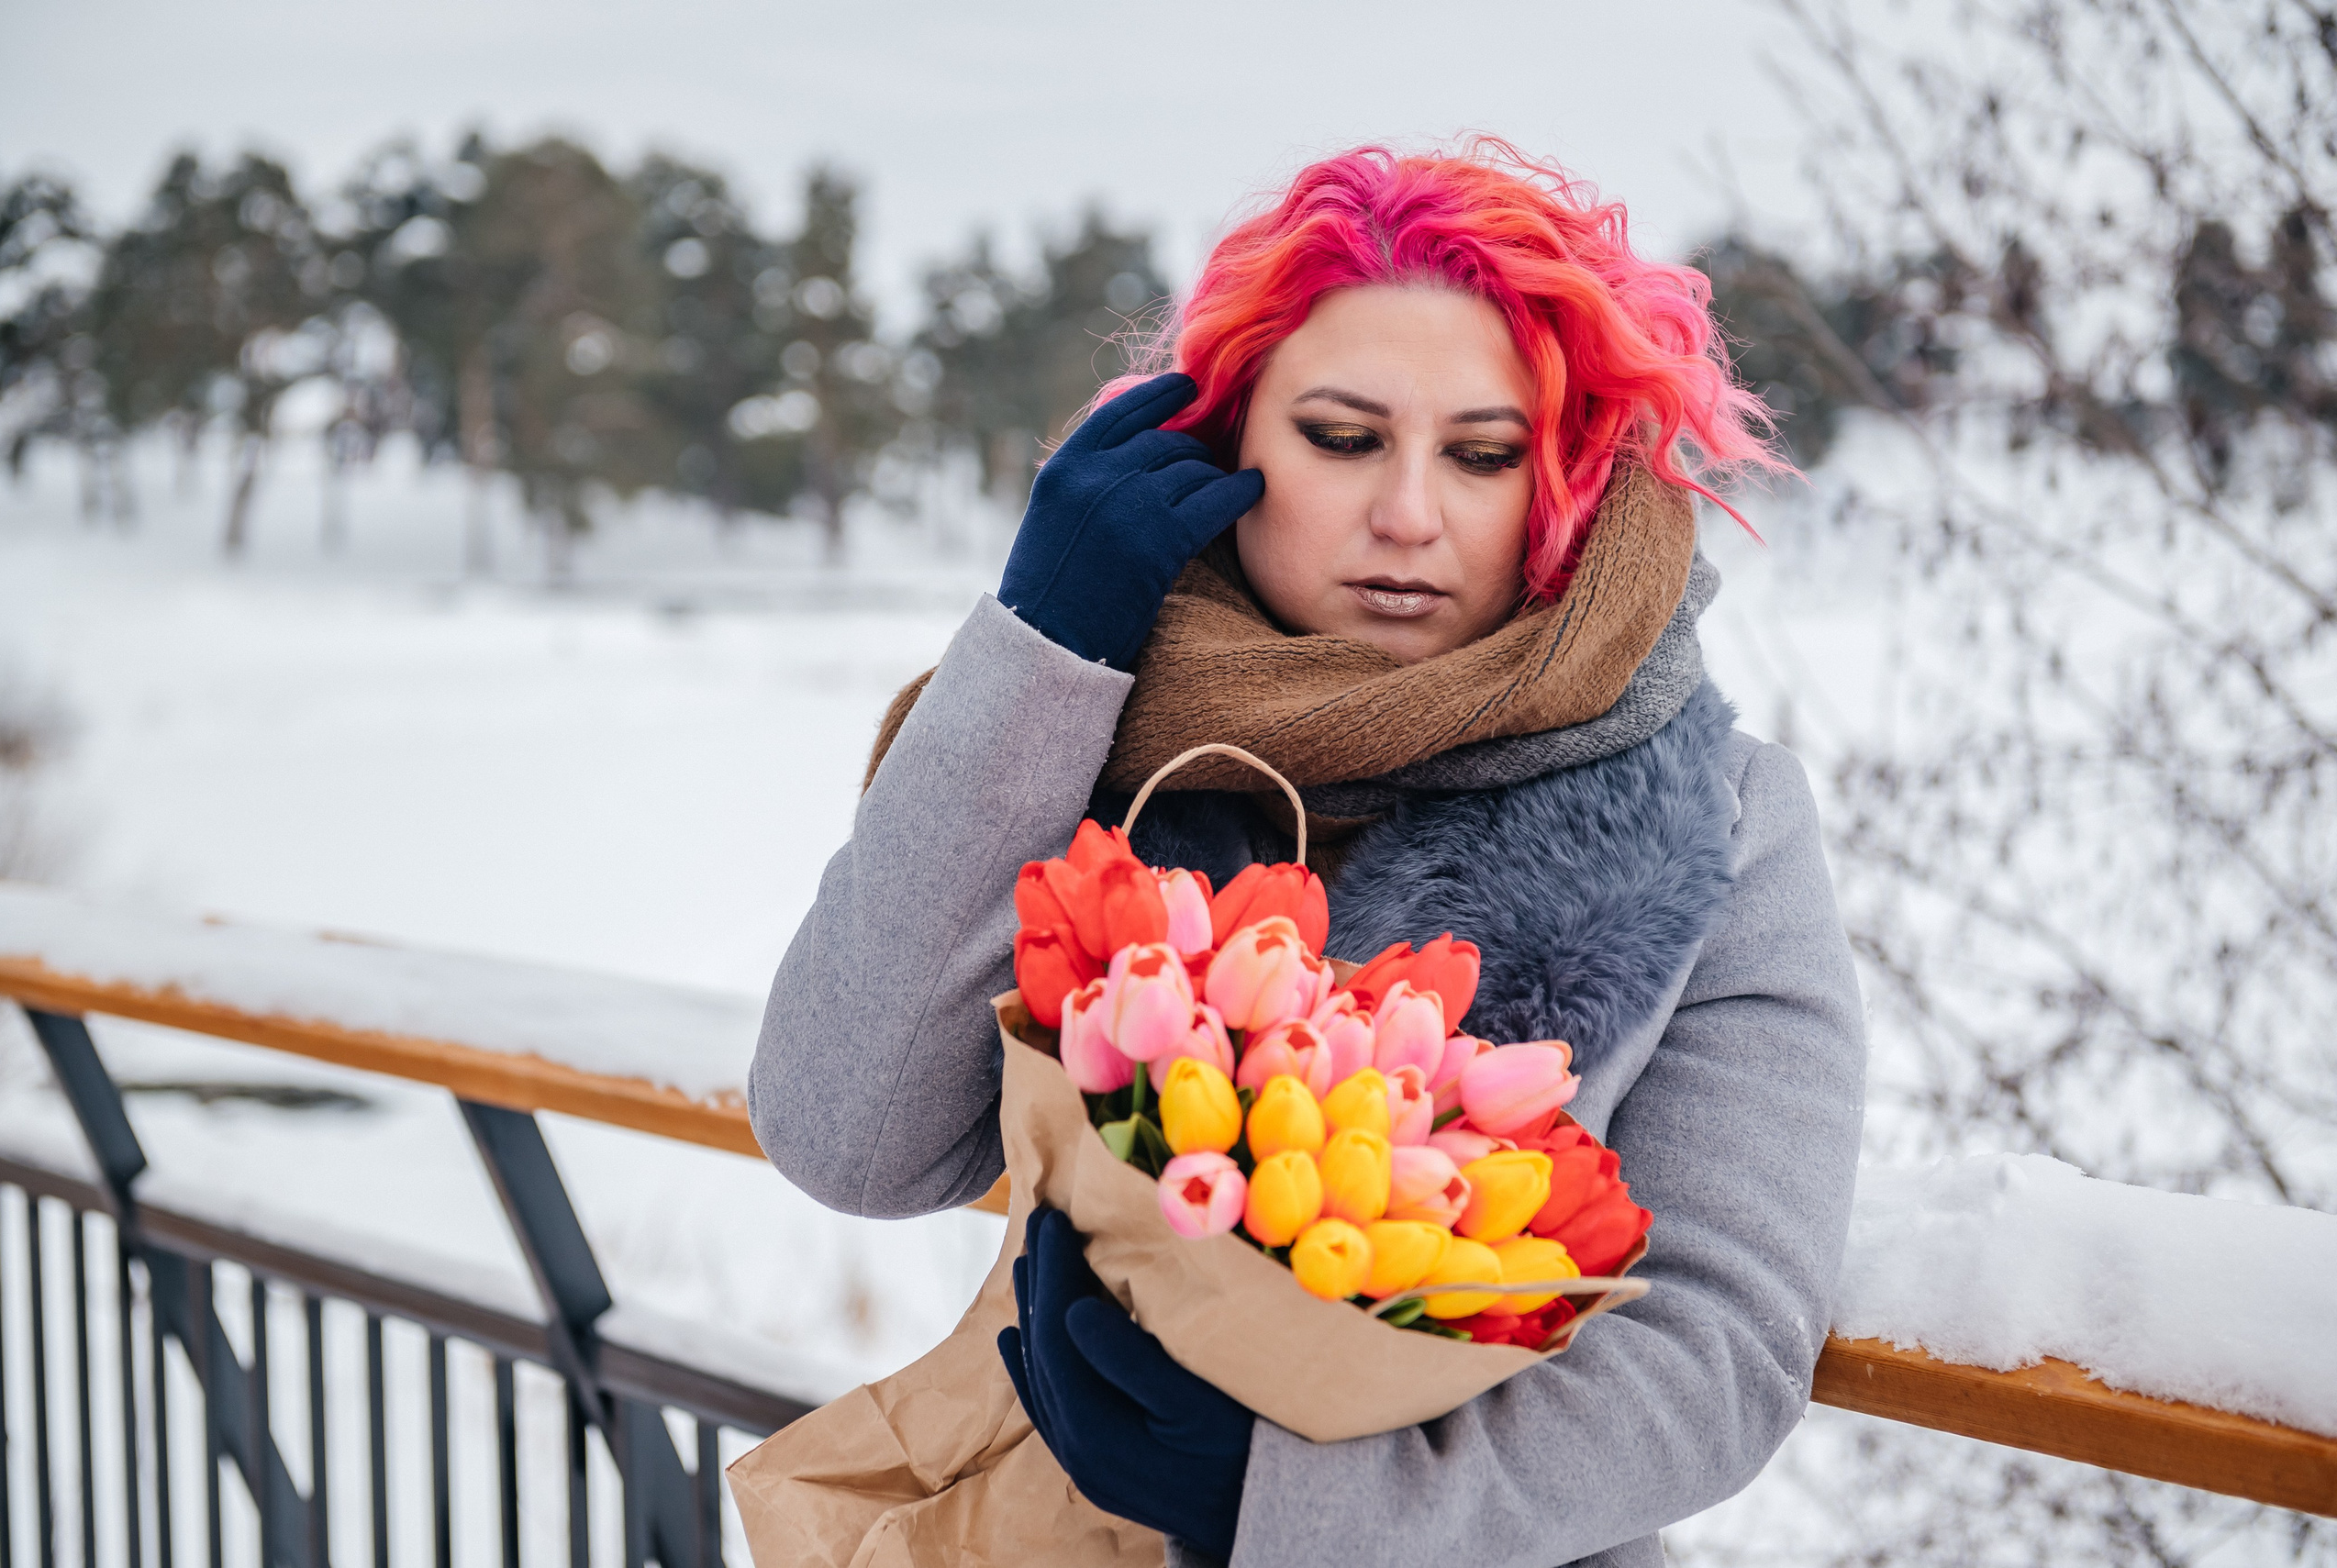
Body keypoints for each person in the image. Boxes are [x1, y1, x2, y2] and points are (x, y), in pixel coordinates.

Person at [751, 140, 1864, 1568]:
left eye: (1482, 454)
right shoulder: (1094, 750)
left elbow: (1721, 1348)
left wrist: (1293, 1506)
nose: (1412, 514)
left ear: (1562, 478)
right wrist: (1046, 649)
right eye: (1344, 438)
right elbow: (848, 1133)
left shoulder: (1722, 817)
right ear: (1227, 442)